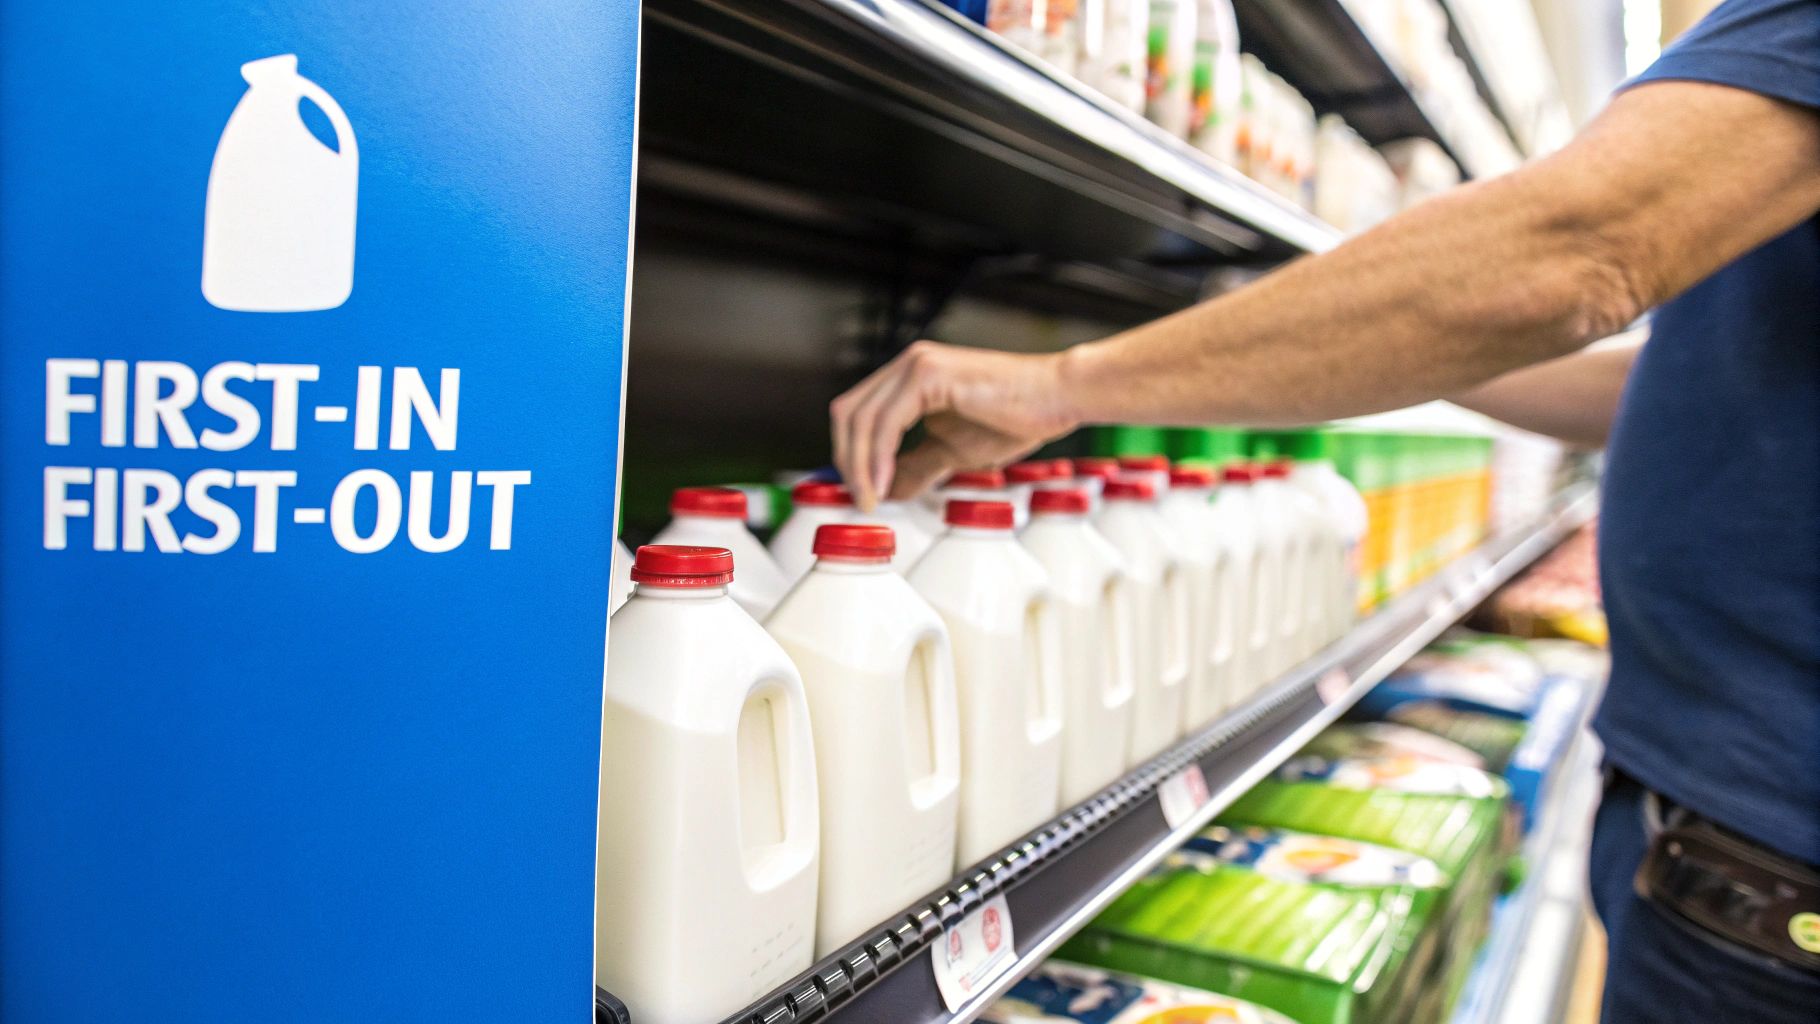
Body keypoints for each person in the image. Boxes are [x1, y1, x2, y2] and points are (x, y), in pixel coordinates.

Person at [828, 1, 1820, 1020]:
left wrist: (1062, 384)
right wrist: (1377, 341)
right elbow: (1669, 378)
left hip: (1767, 884)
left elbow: (1578, 252)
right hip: (1728, 838)